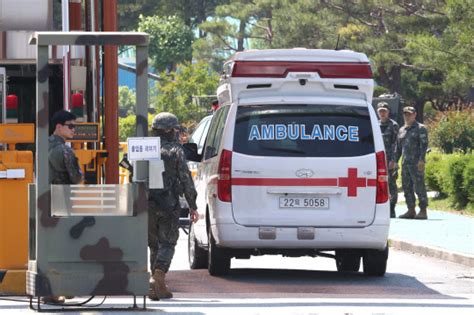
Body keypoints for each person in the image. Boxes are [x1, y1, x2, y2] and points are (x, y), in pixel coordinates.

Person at [148, 112, 198, 300]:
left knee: (154, 244)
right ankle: (157, 277)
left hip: (146, 203)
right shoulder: (176, 150)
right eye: (175, 129)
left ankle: (158, 286)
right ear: (169, 130)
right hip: (168, 204)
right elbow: (185, 180)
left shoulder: (144, 148)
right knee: (168, 242)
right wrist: (193, 206)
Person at [46, 110, 83, 304]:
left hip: (45, 203)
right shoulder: (65, 150)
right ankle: (59, 289)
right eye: (71, 126)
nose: (74, 130)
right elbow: (77, 178)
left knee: (50, 247)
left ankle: (53, 289)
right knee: (67, 246)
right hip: (63, 203)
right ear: (58, 127)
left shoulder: (41, 146)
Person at [396, 106, 429, 220]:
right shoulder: (401, 130)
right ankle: (411, 210)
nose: (407, 116)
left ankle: (423, 210)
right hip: (405, 164)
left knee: (419, 187)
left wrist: (422, 160)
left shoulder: (420, 128)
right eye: (405, 114)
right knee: (407, 187)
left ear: (414, 115)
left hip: (416, 163)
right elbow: (398, 148)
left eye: (409, 114)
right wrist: (394, 161)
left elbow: (424, 146)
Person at [376, 102, 399, 218]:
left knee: (391, 184)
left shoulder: (393, 125)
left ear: (388, 112)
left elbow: (396, 144)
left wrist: (394, 161)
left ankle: (392, 208)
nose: (382, 113)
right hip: (378, 160)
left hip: (389, 160)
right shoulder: (375, 124)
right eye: (380, 111)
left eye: (384, 111)